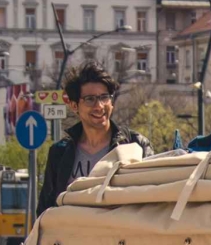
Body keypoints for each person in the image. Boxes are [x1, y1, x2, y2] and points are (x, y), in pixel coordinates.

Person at [36, 62, 153, 216]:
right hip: (73, 237)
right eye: (90, 99)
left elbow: (151, 201)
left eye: (104, 97)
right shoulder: (60, 153)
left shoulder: (136, 145)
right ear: (74, 105)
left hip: (120, 237)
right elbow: (46, 210)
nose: (99, 106)